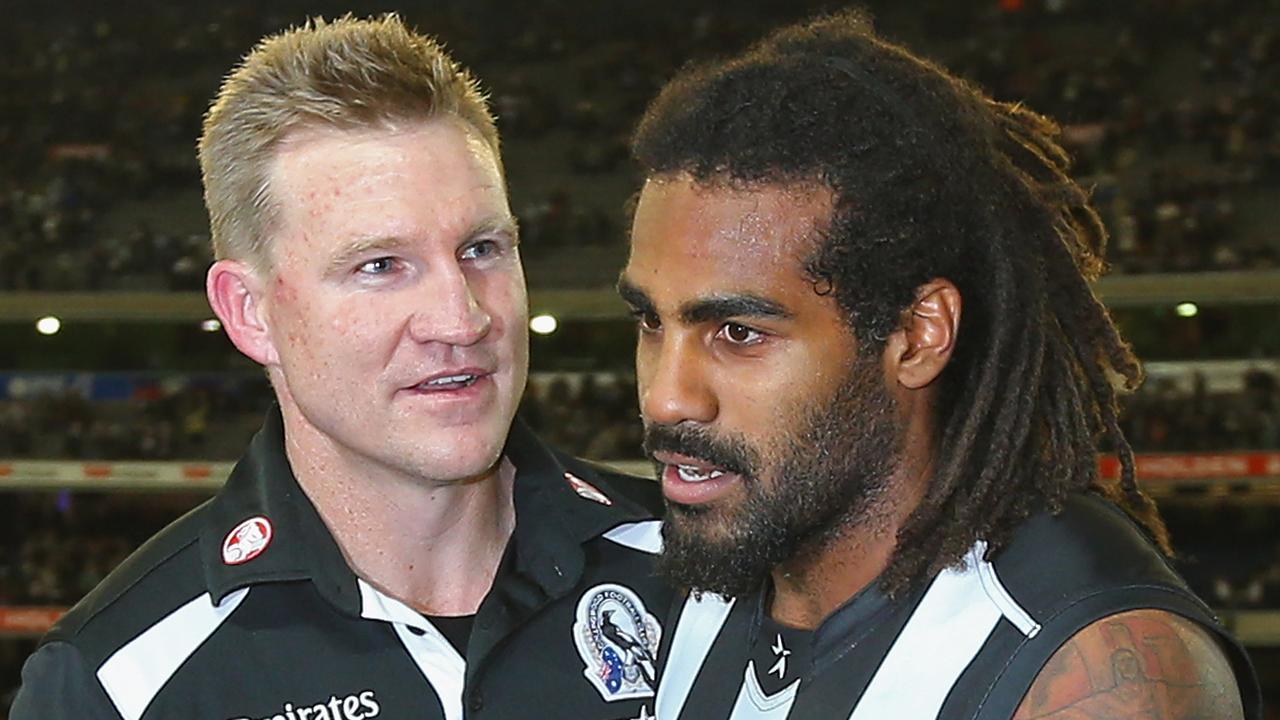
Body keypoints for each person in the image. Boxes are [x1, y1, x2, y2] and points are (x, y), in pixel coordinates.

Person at [12, 15, 670, 720]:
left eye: (482, 248)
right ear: (249, 312)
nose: (463, 319)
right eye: (380, 265)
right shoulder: (118, 680)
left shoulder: (709, 580)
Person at [617, 10, 1262, 720]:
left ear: (918, 336)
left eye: (737, 332)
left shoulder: (1092, 676)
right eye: (651, 321)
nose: (667, 398)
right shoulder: (688, 585)